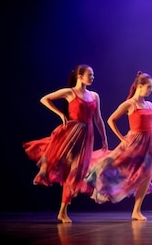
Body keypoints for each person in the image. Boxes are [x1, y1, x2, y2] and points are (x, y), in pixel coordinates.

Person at [23, 64, 109, 223]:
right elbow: (44, 99)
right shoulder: (70, 92)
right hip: (71, 134)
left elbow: (98, 119)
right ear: (80, 76)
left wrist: (104, 138)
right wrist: (61, 114)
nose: (92, 77)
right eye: (89, 74)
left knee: (77, 173)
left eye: (93, 75)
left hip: (87, 136)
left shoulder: (94, 96)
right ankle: (60, 206)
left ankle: (62, 211)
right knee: (66, 167)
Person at [86, 71, 152, 221]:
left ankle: (136, 210)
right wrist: (122, 138)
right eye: (149, 87)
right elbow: (111, 120)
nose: (151, 90)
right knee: (115, 164)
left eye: (151, 88)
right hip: (135, 141)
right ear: (140, 86)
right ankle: (95, 177)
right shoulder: (130, 104)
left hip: (150, 142)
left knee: (147, 175)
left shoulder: (149, 104)